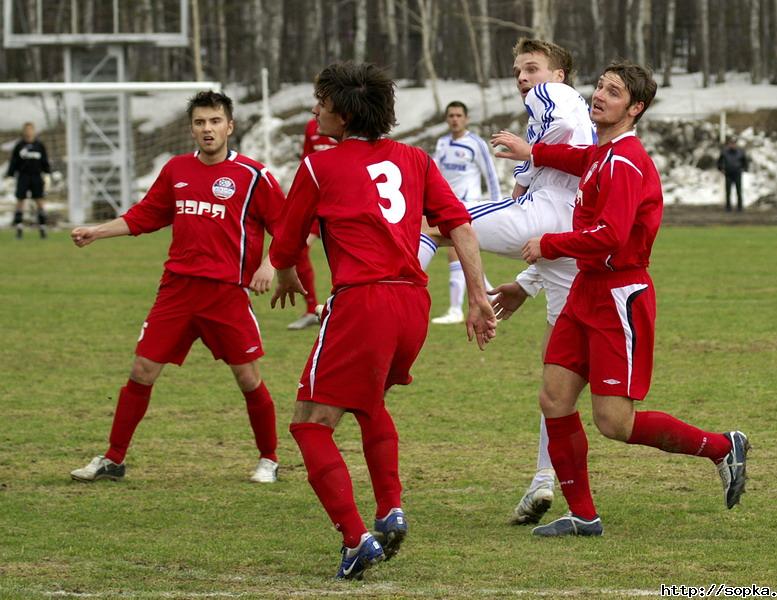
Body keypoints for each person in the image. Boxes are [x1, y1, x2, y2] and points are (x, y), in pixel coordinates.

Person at [269, 62, 497, 579]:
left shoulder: (319, 166)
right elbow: (459, 224)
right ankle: (390, 508)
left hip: (363, 303)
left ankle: (356, 541)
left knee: (309, 425)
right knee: (369, 403)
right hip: (412, 304)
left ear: (345, 115)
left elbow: (285, 242)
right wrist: (477, 294)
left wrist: (284, 272)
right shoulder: (415, 158)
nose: (315, 110)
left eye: (322, 102)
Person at [501, 60, 749, 537]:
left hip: (619, 296)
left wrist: (548, 244)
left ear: (635, 108)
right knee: (554, 397)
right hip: (586, 290)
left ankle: (722, 447)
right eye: (599, 86)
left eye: (612, 92)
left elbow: (611, 235)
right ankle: (583, 515)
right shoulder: (602, 153)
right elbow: (577, 160)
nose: (598, 95)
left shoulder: (624, 161)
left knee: (614, 422)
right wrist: (532, 150)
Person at [420, 38, 595, 526]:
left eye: (532, 68)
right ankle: (543, 478)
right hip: (567, 239)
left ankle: (384, 296)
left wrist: (528, 154)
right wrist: (524, 281)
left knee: (435, 223)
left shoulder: (553, 96)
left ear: (559, 74)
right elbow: (557, 160)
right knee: (557, 374)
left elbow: (557, 142)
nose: (523, 78)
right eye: (518, 70)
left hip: (544, 216)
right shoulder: (574, 110)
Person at [69, 91, 285, 485]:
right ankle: (113, 459)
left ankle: (269, 459)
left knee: (248, 378)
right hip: (177, 290)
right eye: (200, 122)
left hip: (225, 294)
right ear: (192, 129)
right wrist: (97, 232)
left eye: (215, 121)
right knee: (142, 370)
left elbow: (287, 227)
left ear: (230, 126)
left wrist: (269, 265)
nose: (207, 129)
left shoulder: (253, 175)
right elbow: (145, 216)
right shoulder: (176, 170)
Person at [429, 101, 501, 325]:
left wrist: (497, 205)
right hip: (446, 208)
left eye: (459, 115)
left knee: (456, 253)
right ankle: (493, 296)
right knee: (465, 256)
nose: (455, 119)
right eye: (451, 115)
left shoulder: (476, 143)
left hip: (468, 207)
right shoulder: (442, 143)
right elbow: (434, 173)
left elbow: (490, 174)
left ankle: (455, 310)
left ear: (466, 119)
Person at [286, 118, 339, 330]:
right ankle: (311, 310)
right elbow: (306, 162)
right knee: (300, 250)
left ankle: (340, 309)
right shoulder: (312, 126)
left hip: (339, 202)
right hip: (316, 202)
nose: (316, 109)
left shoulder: (346, 123)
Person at [6, 122, 51, 239]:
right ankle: (19, 228)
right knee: (20, 201)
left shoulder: (39, 145)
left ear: (34, 131)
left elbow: (45, 161)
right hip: (23, 177)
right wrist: (10, 175)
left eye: (31, 129)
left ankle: (42, 228)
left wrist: (47, 174)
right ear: (24, 131)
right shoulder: (19, 146)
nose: (28, 132)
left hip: (36, 176)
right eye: (27, 130)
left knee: (39, 201)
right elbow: (13, 162)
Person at [717, 136, 748, 212]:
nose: (732, 145)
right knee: (728, 191)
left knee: (739, 191)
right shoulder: (725, 152)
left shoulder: (740, 152)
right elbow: (719, 162)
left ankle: (740, 207)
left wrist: (744, 169)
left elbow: (745, 162)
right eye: (731, 143)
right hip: (728, 174)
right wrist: (721, 169)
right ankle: (728, 207)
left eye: (734, 143)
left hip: (737, 173)